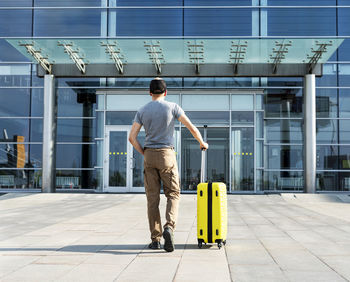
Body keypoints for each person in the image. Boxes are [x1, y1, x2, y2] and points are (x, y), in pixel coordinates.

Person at [128, 78, 208, 252]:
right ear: (165, 92)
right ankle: (169, 227)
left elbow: (131, 137)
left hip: (149, 154)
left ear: (150, 93)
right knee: (173, 193)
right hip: (167, 155)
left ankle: (155, 239)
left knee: (152, 199)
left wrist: (144, 152)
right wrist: (202, 142)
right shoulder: (172, 107)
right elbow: (191, 127)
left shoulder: (142, 110)